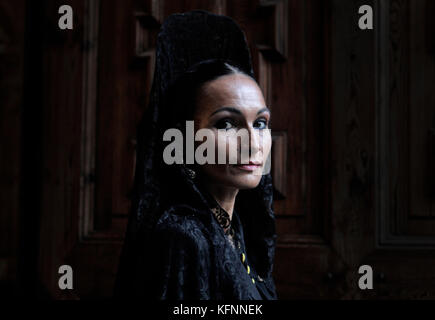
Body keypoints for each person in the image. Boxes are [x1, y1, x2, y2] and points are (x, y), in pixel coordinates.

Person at [114, 10, 278, 300]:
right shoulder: (183, 237)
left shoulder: (234, 227)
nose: (252, 142)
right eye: (226, 123)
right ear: (185, 139)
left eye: (260, 123)